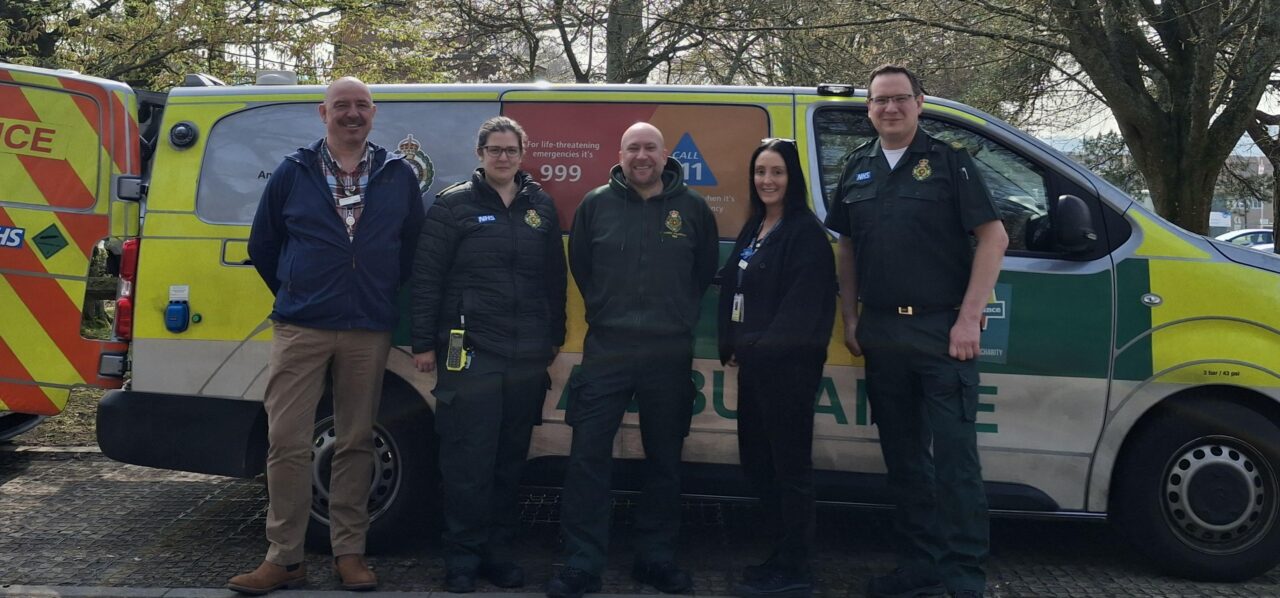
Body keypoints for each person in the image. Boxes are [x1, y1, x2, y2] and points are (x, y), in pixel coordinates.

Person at [233, 76, 424, 595]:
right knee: (287, 441)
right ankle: (284, 559)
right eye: (342, 105)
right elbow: (264, 242)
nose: (352, 113)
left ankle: (349, 553)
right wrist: (300, 288)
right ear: (323, 113)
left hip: (367, 328)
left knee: (356, 441)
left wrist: (374, 287)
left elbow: (409, 246)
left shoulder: (397, 173)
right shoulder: (294, 172)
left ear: (374, 113)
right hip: (301, 327)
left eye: (361, 105)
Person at [824, 65, 1008, 598]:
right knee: (904, 461)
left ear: (920, 103)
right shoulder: (857, 167)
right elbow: (847, 246)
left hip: (941, 331)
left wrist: (969, 318)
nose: (890, 108)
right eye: (880, 101)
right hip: (882, 332)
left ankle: (964, 575)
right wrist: (852, 318)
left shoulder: (951, 163)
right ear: (869, 109)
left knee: (955, 462)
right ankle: (919, 564)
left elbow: (993, 239)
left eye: (900, 98)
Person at [546, 122, 719, 598]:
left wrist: (675, 315)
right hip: (608, 349)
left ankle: (656, 558)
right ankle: (582, 562)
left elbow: (702, 272)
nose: (642, 155)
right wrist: (607, 310)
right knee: (588, 456)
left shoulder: (694, 209)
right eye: (633, 148)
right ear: (620, 154)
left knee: (665, 458)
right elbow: (582, 266)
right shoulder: (595, 204)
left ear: (665, 155)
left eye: (650, 148)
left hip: (668, 351)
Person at [410, 116, 568, 593]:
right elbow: (427, 279)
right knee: (467, 463)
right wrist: (422, 343)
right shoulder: (453, 205)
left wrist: (553, 336)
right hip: (471, 354)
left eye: (511, 150)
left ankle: (498, 553)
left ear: (524, 153)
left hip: (525, 357)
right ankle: (462, 557)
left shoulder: (540, 205)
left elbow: (554, 279)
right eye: (494, 149)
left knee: (508, 461)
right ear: (480, 154)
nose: (503, 157)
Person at [716, 138, 836, 598]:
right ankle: (778, 555)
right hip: (754, 368)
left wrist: (759, 349)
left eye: (777, 172)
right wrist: (729, 340)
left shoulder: (804, 233)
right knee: (758, 463)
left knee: (789, 469)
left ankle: (796, 567)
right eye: (761, 172)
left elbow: (803, 309)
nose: (767, 180)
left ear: (793, 179)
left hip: (787, 371)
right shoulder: (756, 226)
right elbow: (733, 285)